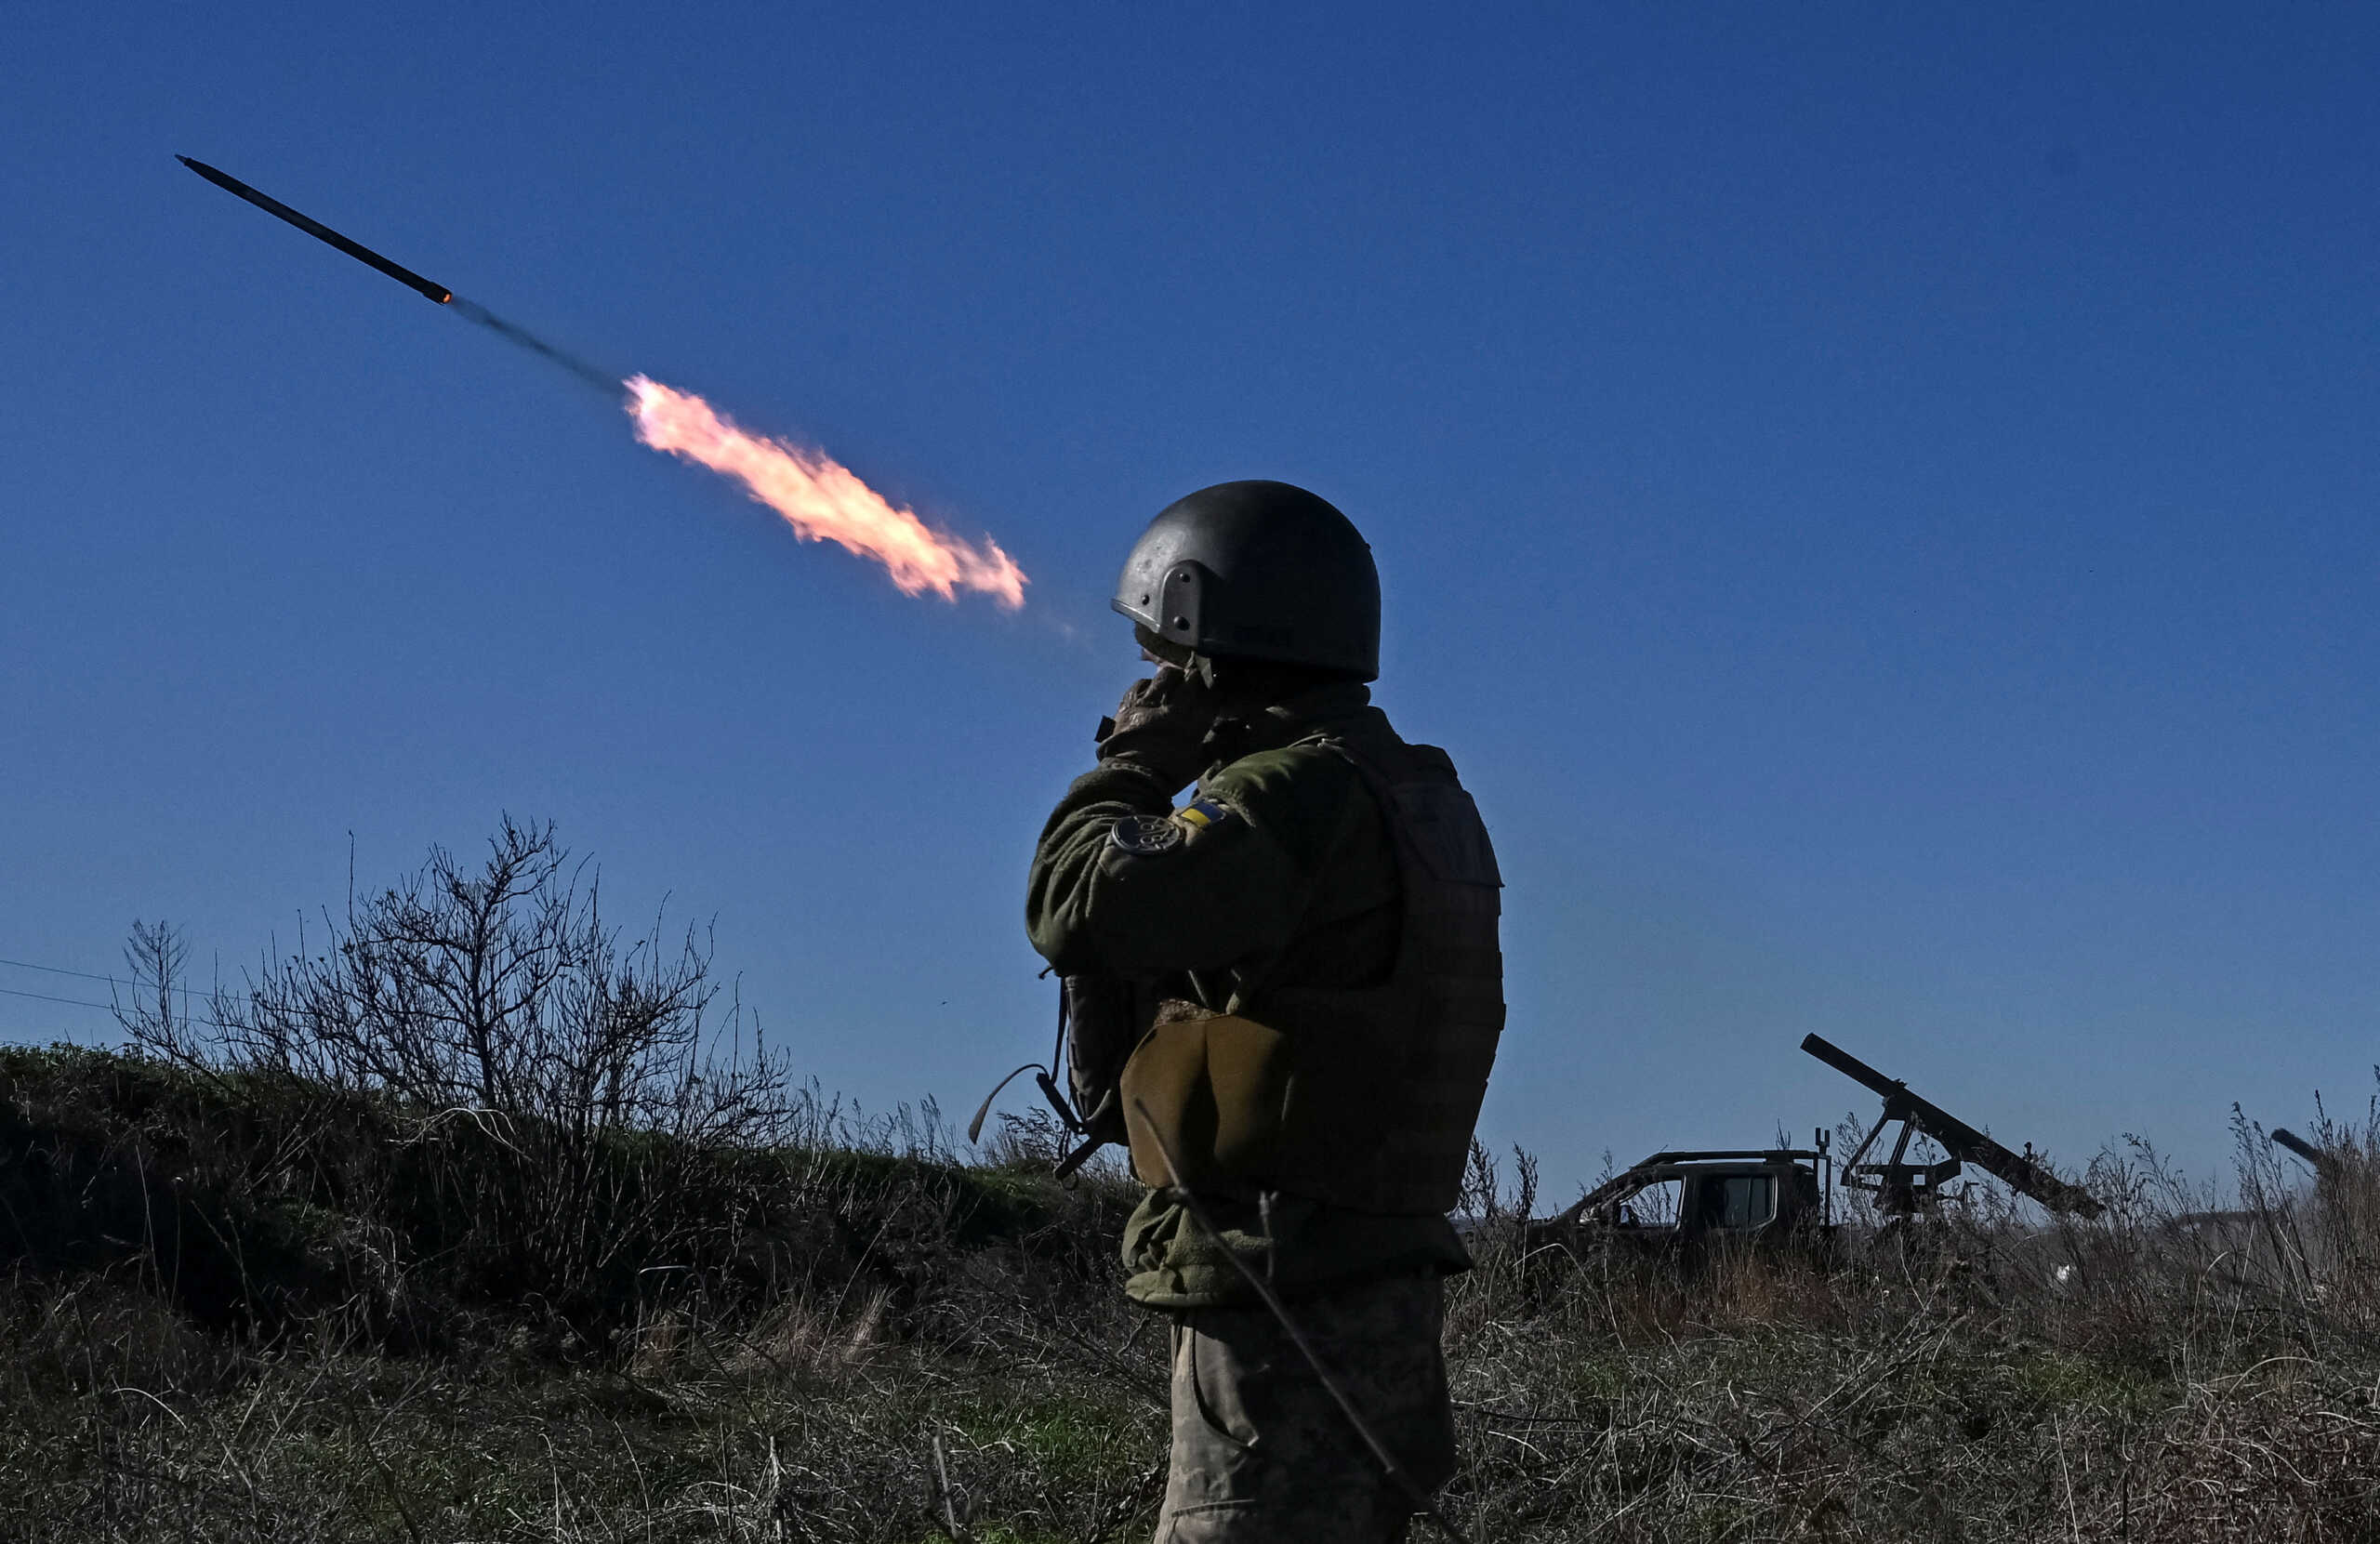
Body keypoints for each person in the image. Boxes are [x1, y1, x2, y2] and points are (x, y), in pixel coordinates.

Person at [1025, 481, 1504, 1543]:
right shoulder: (1413, 792)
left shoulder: (1291, 796)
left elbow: (1075, 905)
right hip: (1372, 1295)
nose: (1154, 675)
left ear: (1210, 647)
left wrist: (1134, 763)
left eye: (1167, 656)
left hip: (1280, 1302)